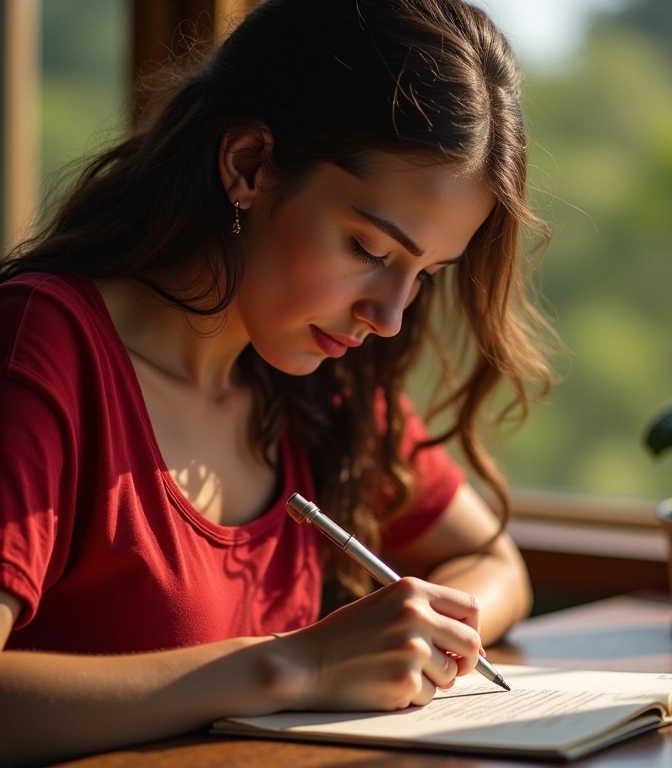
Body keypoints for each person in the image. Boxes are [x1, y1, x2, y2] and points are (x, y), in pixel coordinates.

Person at [0, 0, 556, 764]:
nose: (389, 317)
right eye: (369, 249)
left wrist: (428, 634)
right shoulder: (44, 349)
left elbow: (496, 564)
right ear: (248, 165)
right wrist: (295, 665)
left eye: (425, 274)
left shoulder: (321, 389)